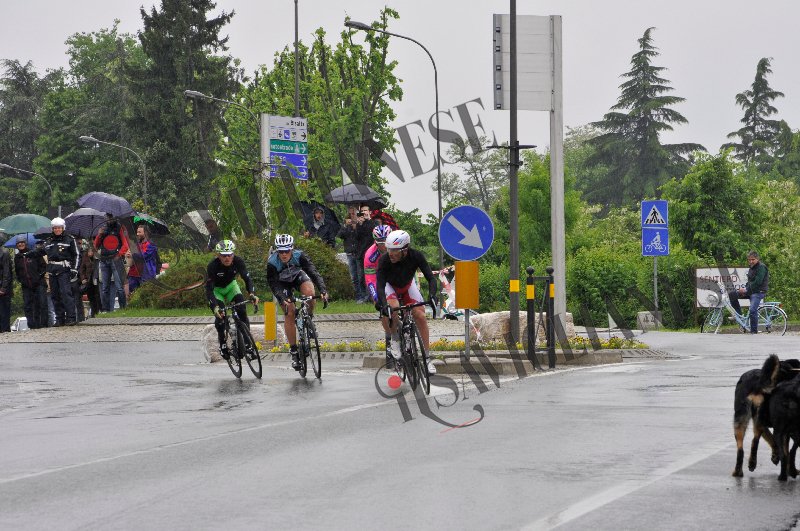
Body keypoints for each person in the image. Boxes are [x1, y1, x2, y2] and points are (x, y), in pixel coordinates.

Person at [376, 230, 438, 375]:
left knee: (420, 316)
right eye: (389, 249)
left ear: (405, 249)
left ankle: (427, 358)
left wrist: (432, 296)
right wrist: (384, 305)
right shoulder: (384, 260)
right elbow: (380, 286)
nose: (390, 253)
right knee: (393, 308)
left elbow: (431, 278)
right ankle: (395, 338)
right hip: (390, 286)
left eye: (395, 251)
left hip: (407, 285)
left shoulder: (416, 256)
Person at [267, 234, 328, 371]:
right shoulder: (272, 263)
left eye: (286, 251)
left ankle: (309, 318)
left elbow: (313, 273)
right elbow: (274, 285)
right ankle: (294, 351)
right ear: (277, 251)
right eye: (280, 251)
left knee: (310, 294)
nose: (284, 254)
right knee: (289, 312)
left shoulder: (300, 256)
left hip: (297, 276)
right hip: (282, 283)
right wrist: (282, 298)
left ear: (292, 249)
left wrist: (323, 290)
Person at [205, 240, 258, 360]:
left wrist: (252, 294)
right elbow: (209, 289)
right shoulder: (212, 266)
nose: (227, 258)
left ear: (233, 254)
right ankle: (222, 344)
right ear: (218, 255)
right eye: (224, 255)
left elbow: (247, 279)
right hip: (217, 290)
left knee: (242, 311)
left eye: (230, 255)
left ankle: (248, 344)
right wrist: (215, 307)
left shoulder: (238, 261)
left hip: (231, 286)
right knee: (221, 317)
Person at [363, 225, 395, 367]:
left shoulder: (397, 247)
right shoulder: (370, 255)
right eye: (380, 242)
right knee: (384, 308)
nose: (383, 245)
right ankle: (389, 339)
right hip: (380, 280)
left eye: (385, 242)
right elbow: (370, 280)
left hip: (398, 276)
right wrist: (376, 298)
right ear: (375, 242)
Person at [43, 217, 80, 326]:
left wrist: (74, 269)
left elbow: (77, 255)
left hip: (64, 270)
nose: (57, 230)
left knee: (66, 294)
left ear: (63, 228)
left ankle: (71, 317)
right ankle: (59, 318)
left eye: (59, 228)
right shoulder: (48, 241)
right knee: (55, 295)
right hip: (52, 270)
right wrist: (28, 254)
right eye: (55, 228)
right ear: (52, 229)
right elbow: (41, 251)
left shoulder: (70, 239)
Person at [94, 213, 129, 312]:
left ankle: (123, 309)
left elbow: (125, 245)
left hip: (116, 260)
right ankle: (106, 310)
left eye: (111, 217)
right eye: (108, 217)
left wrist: (118, 255)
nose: (109, 219)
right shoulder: (102, 229)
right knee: (105, 287)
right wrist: (99, 235)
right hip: (104, 260)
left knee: (119, 287)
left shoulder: (120, 228)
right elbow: (95, 246)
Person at [729, 251, 769, 334]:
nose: (751, 261)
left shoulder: (761, 267)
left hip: (758, 292)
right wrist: (744, 289)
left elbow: (758, 282)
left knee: (752, 310)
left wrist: (746, 290)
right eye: (749, 260)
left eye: (753, 259)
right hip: (750, 291)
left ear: (757, 259)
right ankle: (740, 317)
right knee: (732, 294)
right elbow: (750, 281)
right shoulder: (752, 267)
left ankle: (753, 332)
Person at [14, 234, 48, 329]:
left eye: (22, 242)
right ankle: (32, 325)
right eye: (19, 243)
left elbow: (43, 266)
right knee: (28, 306)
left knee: (42, 304)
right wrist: (21, 280)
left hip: (39, 283)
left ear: (26, 243)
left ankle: (44, 324)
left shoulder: (34, 253)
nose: (21, 244)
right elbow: (17, 271)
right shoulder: (17, 257)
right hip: (26, 285)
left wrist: (38, 277)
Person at [338, 205, 366, 302]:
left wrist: (357, 226)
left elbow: (363, 236)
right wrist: (346, 226)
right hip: (349, 253)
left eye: (353, 211)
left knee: (361, 276)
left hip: (359, 253)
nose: (352, 213)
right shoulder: (346, 223)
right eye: (350, 211)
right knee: (354, 277)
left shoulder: (361, 222)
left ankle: (364, 296)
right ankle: (358, 297)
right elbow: (340, 235)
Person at [355, 204, 379, 303]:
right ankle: (363, 296)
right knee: (361, 276)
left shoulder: (374, 222)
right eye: (362, 211)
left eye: (365, 210)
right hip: (361, 254)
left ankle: (371, 296)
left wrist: (368, 220)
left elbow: (375, 233)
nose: (364, 212)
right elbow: (357, 237)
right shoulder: (360, 224)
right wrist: (360, 224)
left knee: (371, 275)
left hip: (371, 254)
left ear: (370, 212)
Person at [127, 225, 159, 295]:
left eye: (139, 232)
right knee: (131, 295)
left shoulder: (151, 245)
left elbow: (145, 256)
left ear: (146, 233)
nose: (137, 234)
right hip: (133, 274)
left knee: (146, 295)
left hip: (146, 275)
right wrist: (128, 254)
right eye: (137, 232)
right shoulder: (137, 244)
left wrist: (133, 254)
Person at [79, 243, 101, 318]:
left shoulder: (97, 259)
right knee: (91, 298)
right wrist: (83, 278)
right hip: (89, 281)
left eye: (92, 251)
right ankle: (93, 313)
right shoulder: (85, 259)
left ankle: (97, 312)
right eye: (89, 251)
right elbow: (82, 269)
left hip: (96, 280)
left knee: (97, 297)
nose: (90, 253)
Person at [0, 234, 12, 333]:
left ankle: (5, 329)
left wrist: (3, 287)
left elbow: (6, 271)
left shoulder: (4, 252)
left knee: (4, 309)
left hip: (3, 285)